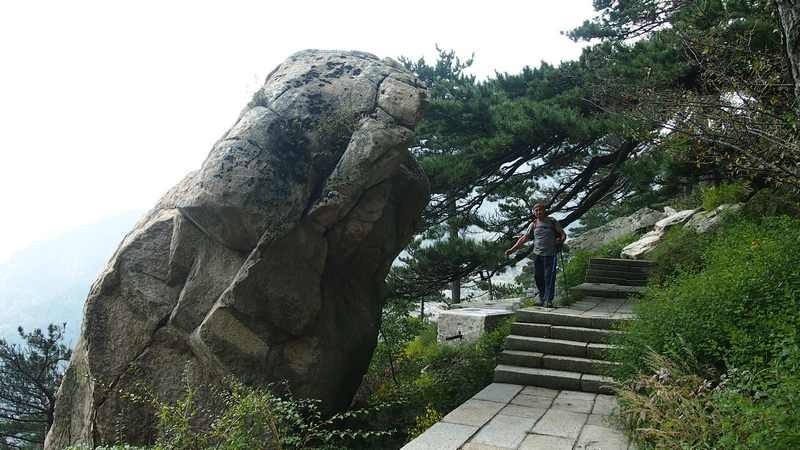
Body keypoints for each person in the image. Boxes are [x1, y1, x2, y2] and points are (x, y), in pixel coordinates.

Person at [505, 203, 567, 308]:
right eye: (536, 210)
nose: (538, 212)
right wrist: (512, 250)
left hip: (550, 254)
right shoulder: (533, 224)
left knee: (549, 278)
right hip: (537, 255)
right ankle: (542, 298)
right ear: (534, 212)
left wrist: (560, 240)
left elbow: (563, 234)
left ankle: (548, 300)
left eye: (540, 210)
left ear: (544, 210)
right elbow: (524, 238)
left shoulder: (552, 221)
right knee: (538, 277)